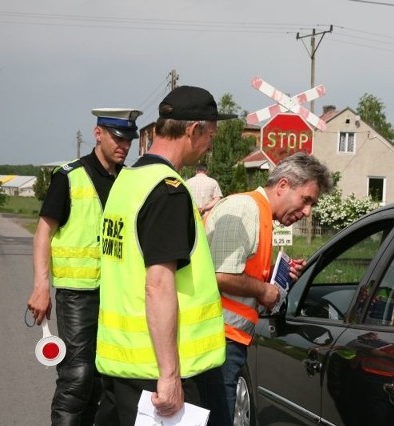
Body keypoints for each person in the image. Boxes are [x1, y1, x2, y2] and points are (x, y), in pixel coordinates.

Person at [94, 86, 237, 426]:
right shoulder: (168, 191)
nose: (211, 144)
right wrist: (170, 375)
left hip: (123, 361)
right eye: (211, 134)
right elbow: (157, 285)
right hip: (159, 371)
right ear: (193, 130)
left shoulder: (128, 182)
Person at [26, 107, 142, 425]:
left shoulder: (129, 181)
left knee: (107, 378)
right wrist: (40, 288)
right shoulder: (69, 177)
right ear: (98, 134)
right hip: (77, 294)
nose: (124, 145)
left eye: (129, 139)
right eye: (118, 138)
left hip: (117, 295)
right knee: (77, 376)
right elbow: (43, 233)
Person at [204, 152, 333, 425]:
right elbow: (221, 274)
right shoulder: (244, 208)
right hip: (216, 341)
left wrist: (277, 278)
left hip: (227, 341)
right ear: (283, 185)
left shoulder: (259, 215)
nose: (308, 211)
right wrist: (264, 291)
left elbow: (238, 270)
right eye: (306, 200)